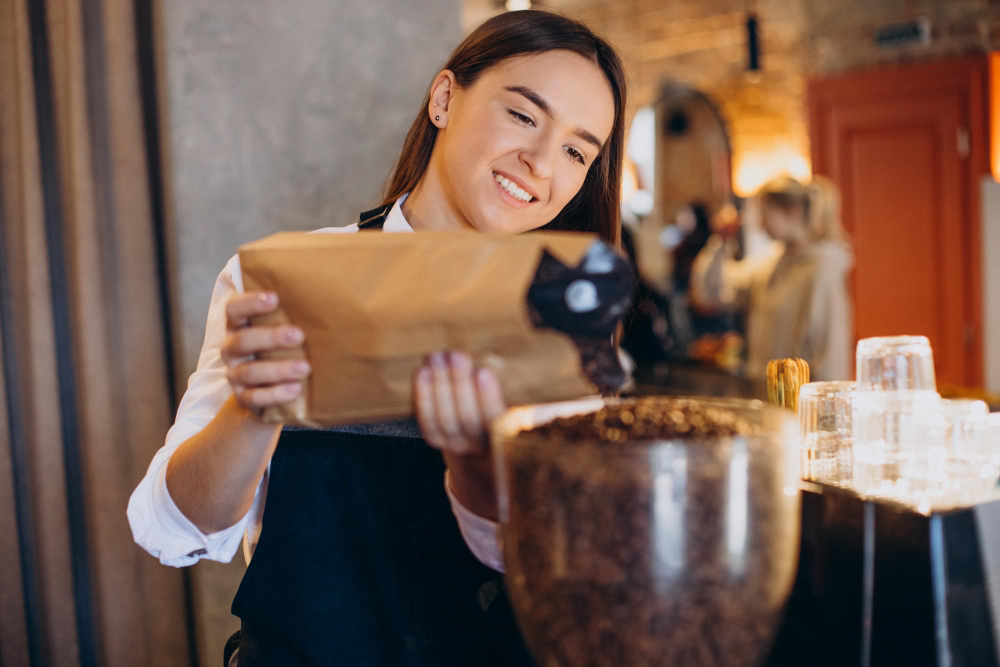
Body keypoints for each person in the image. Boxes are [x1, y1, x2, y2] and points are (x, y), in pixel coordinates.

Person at [127, 10, 627, 667]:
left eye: (576, 150)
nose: (540, 163)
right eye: (525, 115)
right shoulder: (289, 279)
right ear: (445, 98)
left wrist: (477, 473)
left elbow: (579, 578)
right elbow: (170, 528)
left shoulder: (565, 330)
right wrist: (253, 409)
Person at [690, 176, 853, 381]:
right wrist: (720, 242)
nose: (759, 223)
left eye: (764, 212)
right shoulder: (770, 264)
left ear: (792, 211)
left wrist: (824, 409)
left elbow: (830, 354)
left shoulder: (821, 271)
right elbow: (712, 293)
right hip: (765, 397)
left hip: (800, 405)